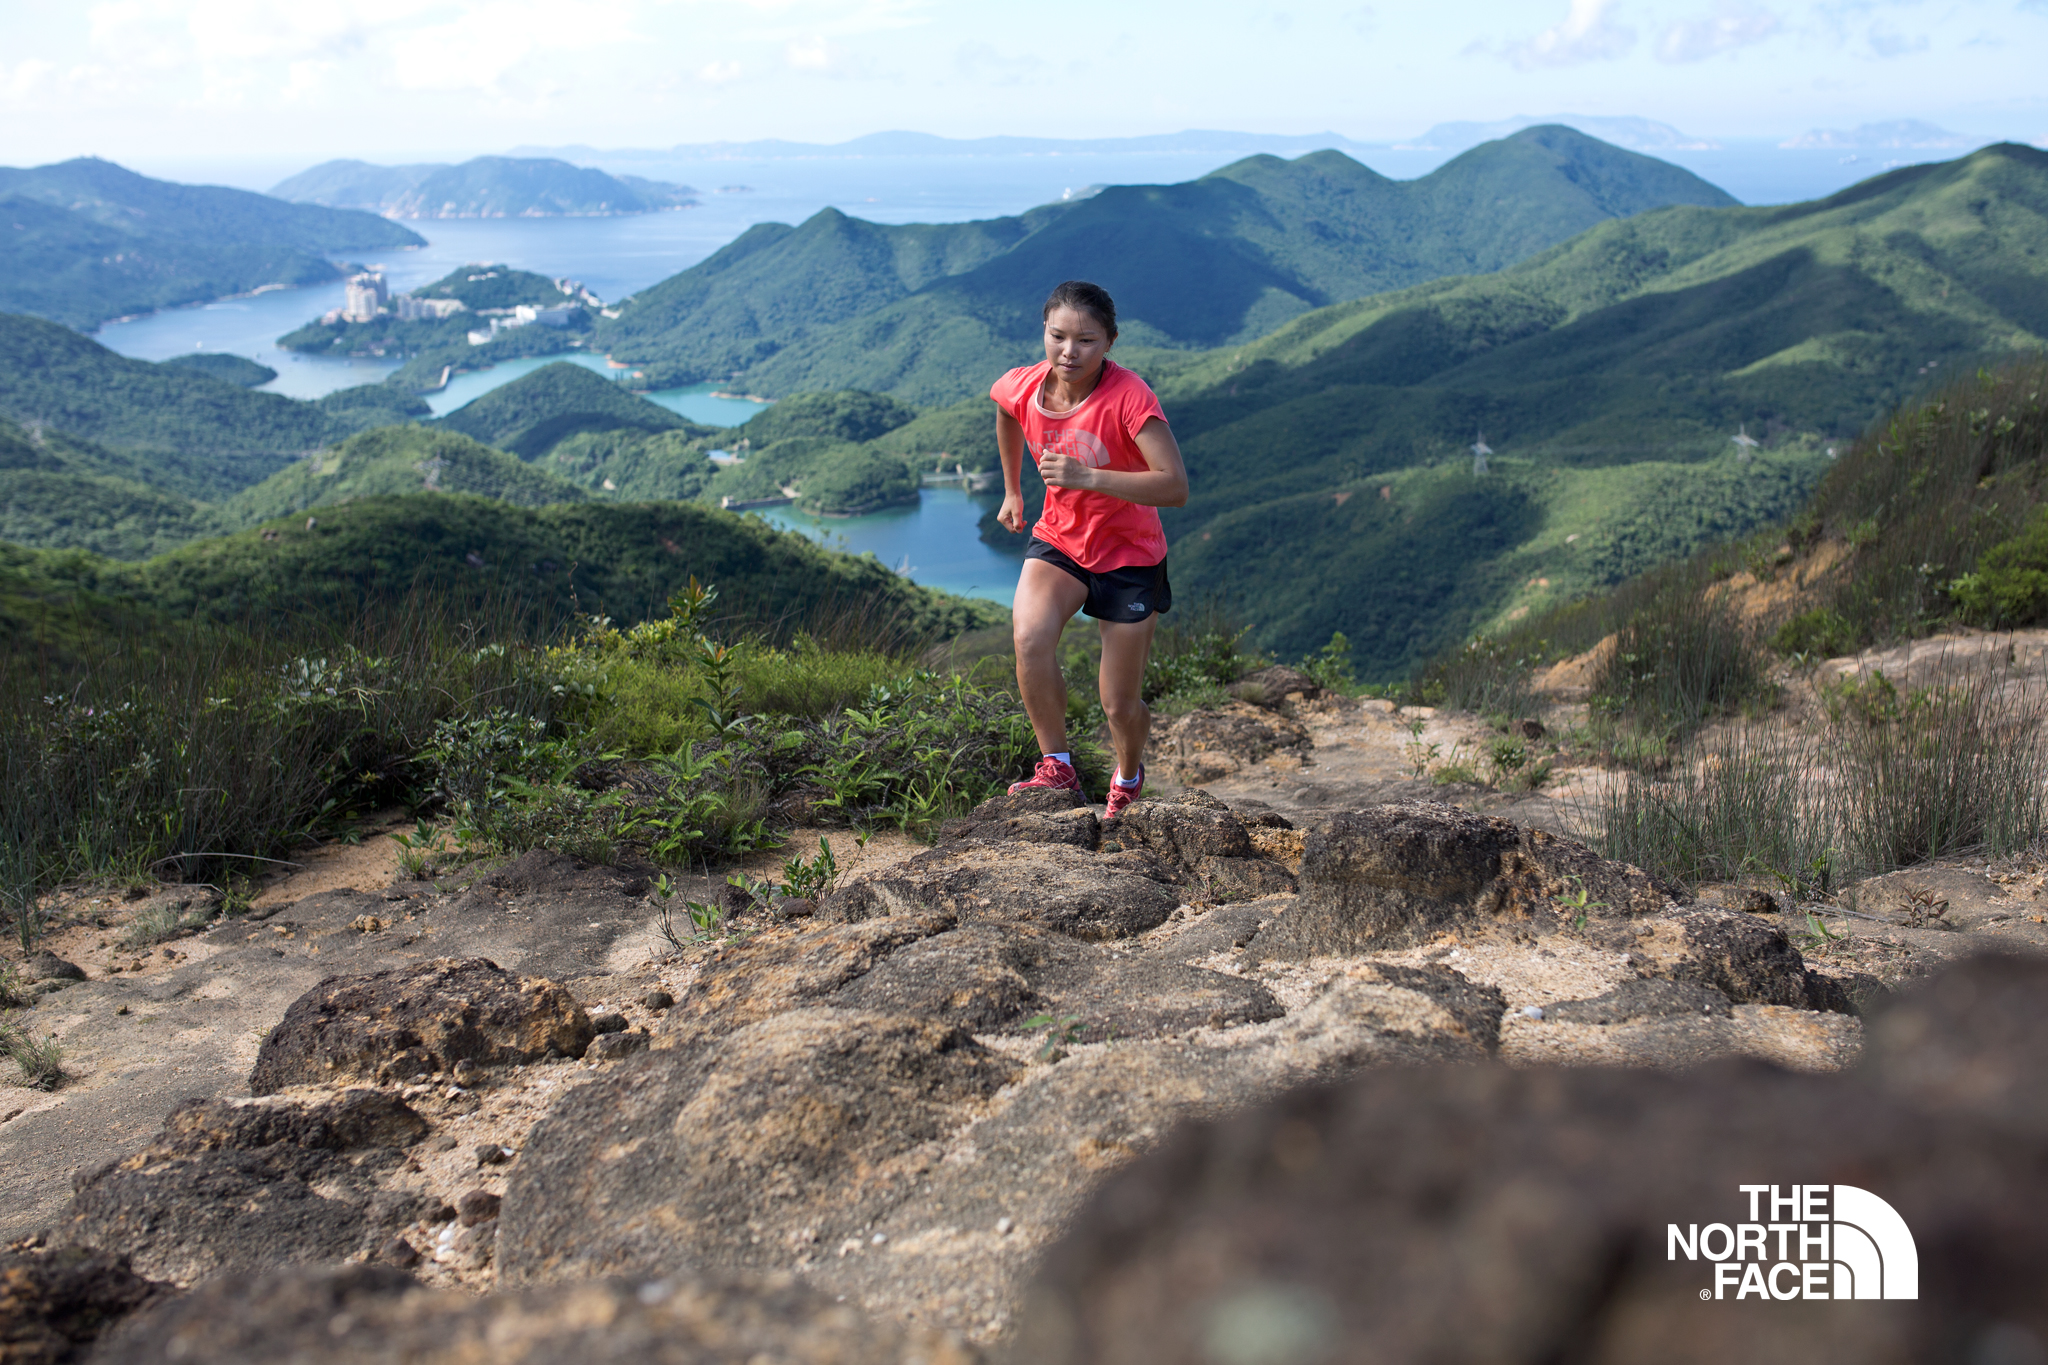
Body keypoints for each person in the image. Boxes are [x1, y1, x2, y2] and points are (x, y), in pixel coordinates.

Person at [991, 279, 1189, 819]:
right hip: (1060, 541)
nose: (1068, 352)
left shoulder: (1130, 397)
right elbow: (1005, 410)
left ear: (1111, 342)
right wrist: (1013, 489)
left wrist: (1087, 475)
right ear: (1044, 332)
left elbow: (1174, 486)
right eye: (1057, 337)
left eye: (1086, 341)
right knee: (1030, 636)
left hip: (1130, 556)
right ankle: (1057, 767)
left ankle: (1128, 772)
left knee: (1118, 704)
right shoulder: (1027, 385)